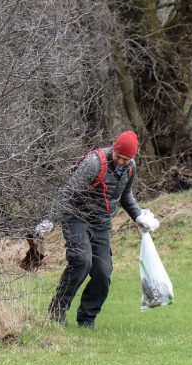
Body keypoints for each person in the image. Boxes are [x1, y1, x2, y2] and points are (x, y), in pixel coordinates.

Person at [34, 130, 159, 328]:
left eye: (126, 159)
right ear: (114, 150)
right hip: (76, 216)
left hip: (101, 222)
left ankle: (87, 319)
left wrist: (138, 216)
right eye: (119, 157)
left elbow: (125, 195)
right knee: (82, 261)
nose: (121, 162)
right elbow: (67, 191)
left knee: (103, 272)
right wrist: (49, 219)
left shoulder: (130, 168)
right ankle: (57, 310)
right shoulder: (94, 163)